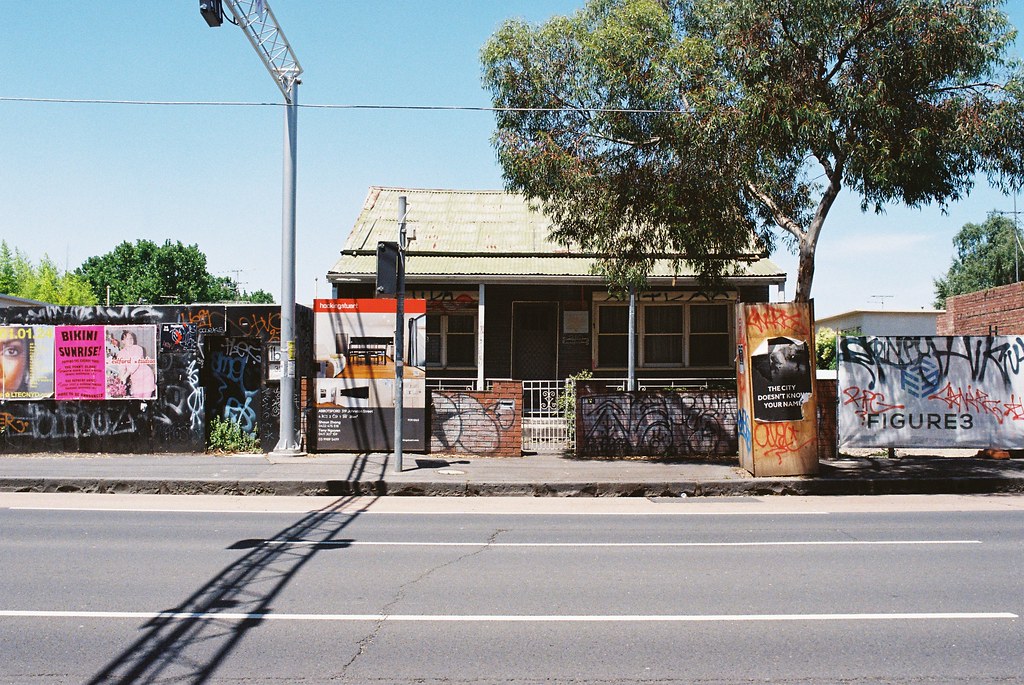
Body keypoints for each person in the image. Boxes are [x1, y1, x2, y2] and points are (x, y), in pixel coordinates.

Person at [116, 330, 157, 399]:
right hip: (135, 381)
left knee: (146, 401)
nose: (130, 340)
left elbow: (134, 363)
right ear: (123, 341)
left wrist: (125, 376)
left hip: (146, 377)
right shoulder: (121, 353)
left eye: (131, 338)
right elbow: (121, 367)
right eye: (127, 339)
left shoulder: (138, 349)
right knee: (136, 402)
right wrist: (120, 379)